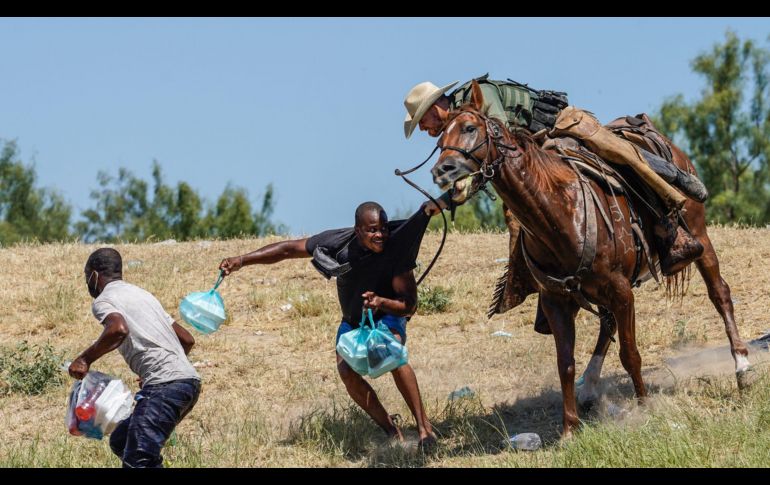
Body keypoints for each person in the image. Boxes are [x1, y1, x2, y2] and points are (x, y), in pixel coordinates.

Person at [403, 75, 709, 331]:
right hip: (533, 155)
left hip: (560, 128)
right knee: (525, 216)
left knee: (619, 155)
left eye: (422, 120)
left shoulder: (477, 98)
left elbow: (497, 145)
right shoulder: (457, 128)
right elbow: (478, 167)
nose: (422, 129)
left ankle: (671, 206)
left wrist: (451, 196)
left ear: (436, 106)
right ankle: (547, 285)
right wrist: (447, 197)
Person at [218, 200, 446, 448]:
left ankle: (425, 430)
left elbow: (409, 306)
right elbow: (287, 250)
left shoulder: (397, 250)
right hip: (353, 321)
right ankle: (391, 430)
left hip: (388, 314)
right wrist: (242, 260)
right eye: (372, 230)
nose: (380, 235)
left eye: (383, 228)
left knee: (391, 354)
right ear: (357, 230)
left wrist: (380, 302)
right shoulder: (337, 243)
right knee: (346, 372)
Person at [69, 248, 201, 468]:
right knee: (122, 441)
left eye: (86, 277)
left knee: (139, 459)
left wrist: (85, 359)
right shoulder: (143, 295)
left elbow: (118, 329)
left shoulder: (104, 299)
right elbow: (186, 339)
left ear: (93, 275)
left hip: (165, 386)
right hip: (188, 383)